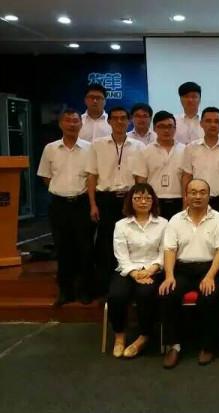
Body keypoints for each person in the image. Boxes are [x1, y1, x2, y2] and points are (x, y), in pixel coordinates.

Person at [159, 179, 219, 368]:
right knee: (168, 293)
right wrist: (169, 276)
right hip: (182, 269)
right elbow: (170, 250)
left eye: (202, 192)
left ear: (209, 195)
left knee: (209, 295)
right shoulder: (175, 220)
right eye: (193, 192)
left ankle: (208, 346)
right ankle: (174, 346)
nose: (198, 196)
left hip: (210, 268)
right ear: (186, 196)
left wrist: (210, 276)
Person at [37, 109, 94, 306]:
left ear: (81, 124)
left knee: (85, 248)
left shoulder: (90, 148)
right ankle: (65, 291)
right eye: (68, 121)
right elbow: (46, 177)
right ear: (61, 124)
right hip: (59, 204)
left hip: (82, 203)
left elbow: (93, 176)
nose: (72, 124)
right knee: (62, 249)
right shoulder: (50, 149)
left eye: (75, 121)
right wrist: (61, 191)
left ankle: (85, 290)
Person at [86, 107, 145, 294]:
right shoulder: (97, 145)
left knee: (131, 241)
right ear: (109, 121)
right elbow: (92, 176)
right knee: (105, 243)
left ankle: (129, 283)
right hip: (106, 199)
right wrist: (93, 204)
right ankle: (105, 287)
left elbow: (140, 178)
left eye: (123, 118)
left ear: (129, 121)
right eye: (115, 118)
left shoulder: (139, 146)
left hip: (129, 198)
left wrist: (140, 202)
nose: (119, 122)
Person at [108, 183, 167, 359]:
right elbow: (121, 255)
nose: (143, 201)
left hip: (153, 270)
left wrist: (151, 269)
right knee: (116, 295)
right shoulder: (121, 225)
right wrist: (135, 273)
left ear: (153, 201)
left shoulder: (163, 223)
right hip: (127, 269)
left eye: (147, 198)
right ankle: (119, 336)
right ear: (130, 201)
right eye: (138, 198)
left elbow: (165, 252)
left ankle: (144, 336)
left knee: (146, 293)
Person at [182, 107, 219, 217]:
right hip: (197, 199)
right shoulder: (191, 148)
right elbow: (187, 176)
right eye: (208, 121)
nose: (213, 125)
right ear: (201, 124)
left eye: (216, 121)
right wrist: (185, 204)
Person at [132, 110, 185, 220]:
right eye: (161, 126)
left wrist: (186, 202)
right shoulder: (145, 151)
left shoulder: (185, 150)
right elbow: (141, 181)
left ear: (175, 129)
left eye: (170, 126)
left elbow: (187, 179)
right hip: (154, 201)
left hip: (179, 200)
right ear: (155, 128)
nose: (166, 130)